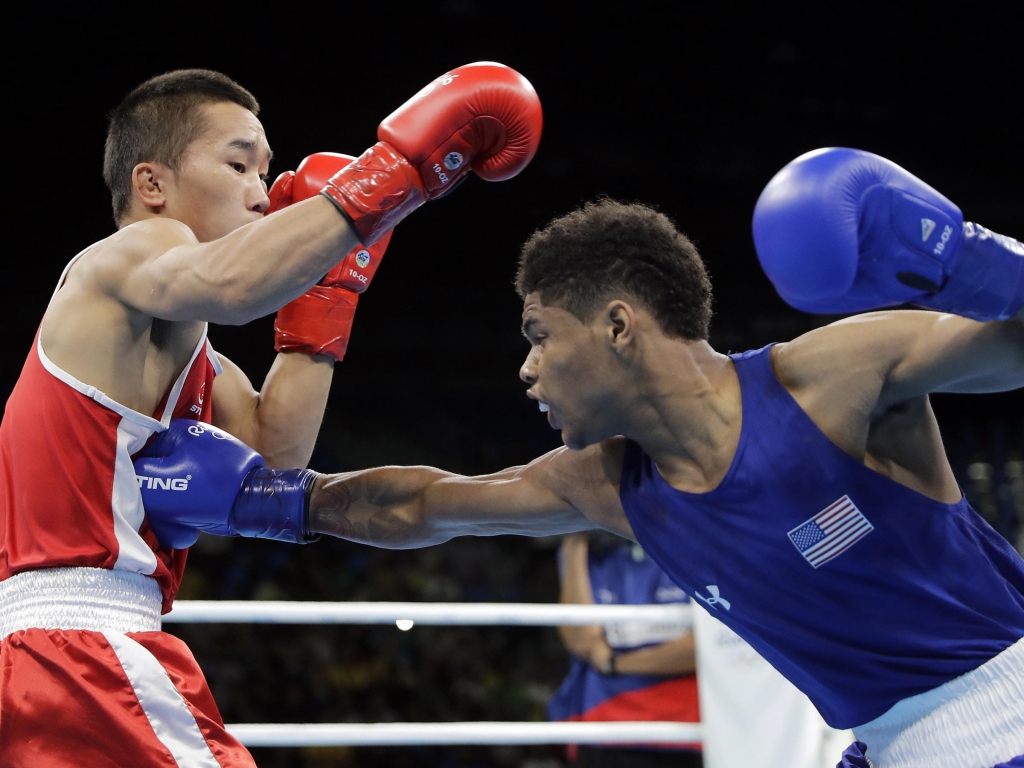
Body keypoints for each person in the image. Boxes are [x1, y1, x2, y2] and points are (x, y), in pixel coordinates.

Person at [133, 149, 1024, 768]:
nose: (525, 369)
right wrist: (279, 499)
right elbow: (430, 504)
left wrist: (973, 261)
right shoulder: (610, 484)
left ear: (619, 325)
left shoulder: (832, 379)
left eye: (537, 336)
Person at [0, 63, 542, 766]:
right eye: (238, 165)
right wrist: (391, 178)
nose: (262, 192)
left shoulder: (195, 352)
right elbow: (235, 282)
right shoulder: (131, 252)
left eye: (267, 172)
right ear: (152, 185)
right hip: (87, 647)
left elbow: (276, 455)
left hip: (58, 651)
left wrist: (331, 291)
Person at [549, 532, 701, 767]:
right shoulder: (588, 554)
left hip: (686, 728)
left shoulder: (696, 548)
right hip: (606, 726)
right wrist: (574, 545)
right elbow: (582, 641)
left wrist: (615, 663)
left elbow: (701, 649)